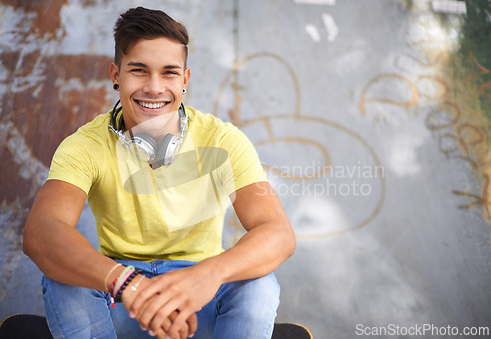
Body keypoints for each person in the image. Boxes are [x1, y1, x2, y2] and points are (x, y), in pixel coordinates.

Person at [23, 6, 295, 339]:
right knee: (62, 278)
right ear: (115, 75)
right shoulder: (85, 146)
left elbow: (278, 233)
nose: (154, 87)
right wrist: (126, 284)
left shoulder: (222, 140)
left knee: (258, 284)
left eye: (168, 72)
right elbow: (41, 232)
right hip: (123, 300)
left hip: (198, 303)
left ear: (185, 79)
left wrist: (209, 275)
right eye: (139, 70)